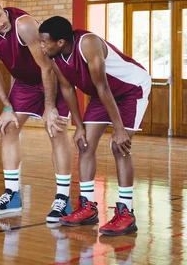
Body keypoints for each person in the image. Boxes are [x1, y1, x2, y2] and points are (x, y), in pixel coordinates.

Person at [39, 16, 151, 236]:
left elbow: (103, 86)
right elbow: (68, 89)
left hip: (130, 90)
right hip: (104, 94)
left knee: (120, 147)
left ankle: (126, 213)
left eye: (45, 42)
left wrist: (118, 130)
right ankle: (88, 207)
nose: (41, 46)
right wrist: (78, 126)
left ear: (60, 41)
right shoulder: (54, 56)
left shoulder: (88, 43)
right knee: (84, 144)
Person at [0, 0, 72, 223]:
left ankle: (63, 199)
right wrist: (7, 107)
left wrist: (49, 107)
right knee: (8, 129)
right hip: (24, 84)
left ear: (0, 6)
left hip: (53, 77)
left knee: (55, 130)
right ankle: (12, 194)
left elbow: (46, 67)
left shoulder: (24, 25)